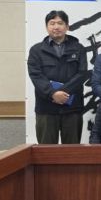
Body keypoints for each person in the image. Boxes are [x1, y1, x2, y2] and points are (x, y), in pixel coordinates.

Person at [27, 10, 87, 144]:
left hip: (72, 108)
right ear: (46, 27)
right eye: (52, 23)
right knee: (46, 151)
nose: (56, 27)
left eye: (60, 23)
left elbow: (82, 74)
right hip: (46, 108)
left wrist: (62, 92)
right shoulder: (36, 50)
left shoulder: (78, 48)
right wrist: (52, 93)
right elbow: (36, 75)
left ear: (67, 26)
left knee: (72, 151)